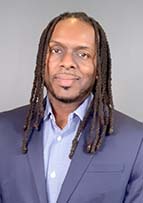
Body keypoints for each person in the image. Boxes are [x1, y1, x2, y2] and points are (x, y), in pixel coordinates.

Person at [0, 11, 143, 203]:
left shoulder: (136, 141)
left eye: (83, 54)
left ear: (99, 67)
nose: (67, 62)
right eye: (56, 50)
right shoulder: (3, 130)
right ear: (43, 59)